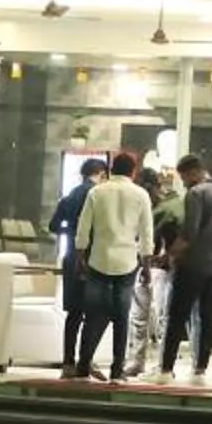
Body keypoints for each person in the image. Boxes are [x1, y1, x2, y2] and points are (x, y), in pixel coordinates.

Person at [69, 151, 152, 379]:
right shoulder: (140, 194)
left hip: (98, 260)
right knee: (121, 317)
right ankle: (117, 370)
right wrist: (146, 265)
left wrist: (80, 257)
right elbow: (146, 233)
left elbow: (83, 228)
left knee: (93, 314)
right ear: (133, 171)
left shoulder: (97, 192)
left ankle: (83, 365)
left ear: (112, 169)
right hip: (127, 262)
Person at [160, 155, 212, 380]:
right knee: (208, 315)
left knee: (177, 315)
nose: (184, 183)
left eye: (184, 178)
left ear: (192, 172)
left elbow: (189, 234)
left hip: (194, 264)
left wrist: (168, 256)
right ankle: (200, 369)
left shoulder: (196, 194)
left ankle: (166, 369)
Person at [129, 156, 186, 378]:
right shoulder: (176, 204)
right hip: (165, 267)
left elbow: (148, 240)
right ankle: (155, 363)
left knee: (150, 316)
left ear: (149, 187)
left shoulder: (162, 209)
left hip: (158, 267)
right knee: (157, 316)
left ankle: (144, 362)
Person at [48, 157, 105, 376]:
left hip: (70, 257)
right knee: (94, 312)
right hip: (91, 258)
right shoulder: (96, 195)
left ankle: (68, 363)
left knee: (73, 314)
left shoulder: (69, 196)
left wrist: (70, 231)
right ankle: (86, 362)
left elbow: (53, 226)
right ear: (101, 174)